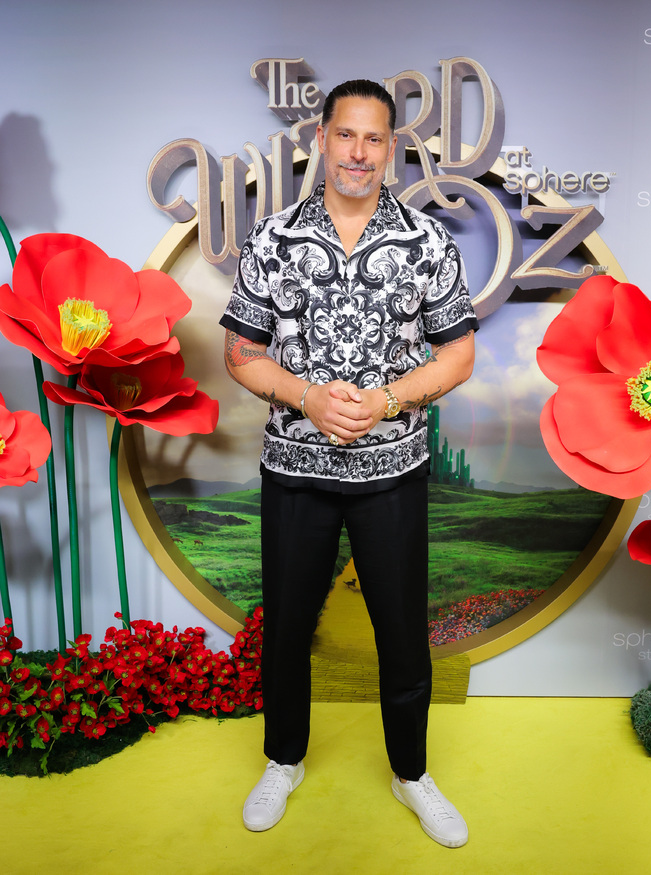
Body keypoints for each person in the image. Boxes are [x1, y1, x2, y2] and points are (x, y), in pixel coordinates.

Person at [220, 78, 477, 849]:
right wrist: (306, 396)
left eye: (373, 138)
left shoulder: (427, 241)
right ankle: (283, 759)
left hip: (392, 471)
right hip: (294, 468)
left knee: (401, 630)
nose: (358, 152)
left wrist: (388, 399)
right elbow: (240, 351)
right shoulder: (273, 238)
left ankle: (411, 773)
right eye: (345, 135)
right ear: (321, 140)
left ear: (391, 149)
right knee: (287, 627)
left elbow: (458, 353)